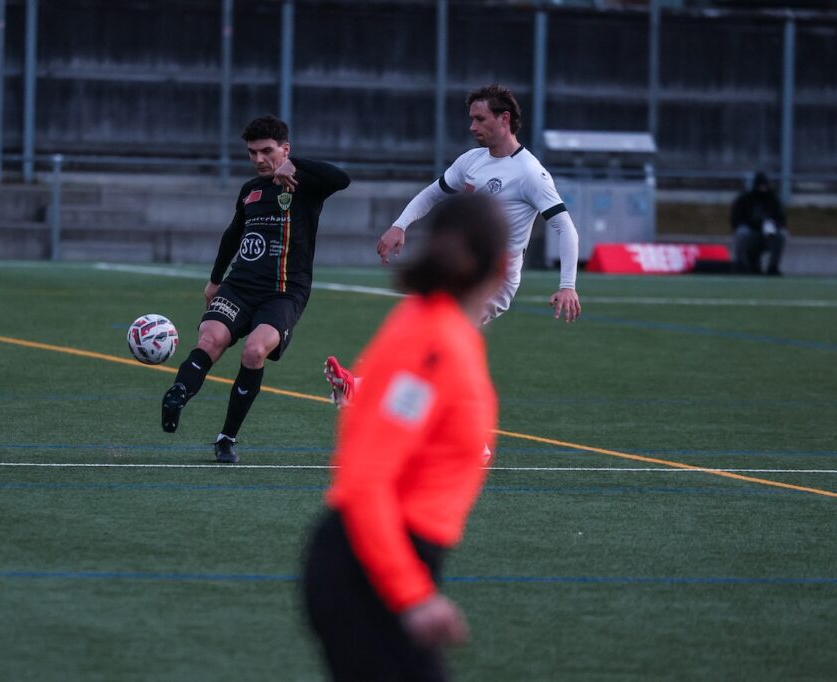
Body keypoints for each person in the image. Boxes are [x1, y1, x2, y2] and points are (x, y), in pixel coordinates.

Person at [302, 193, 508, 682]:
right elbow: (364, 480)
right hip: (370, 570)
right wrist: (410, 595)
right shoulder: (435, 343)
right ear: (503, 266)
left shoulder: (439, 329)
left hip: (379, 563)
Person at [282, 84, 581, 406]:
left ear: (504, 118)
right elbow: (433, 193)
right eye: (471, 118)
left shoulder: (530, 173)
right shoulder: (472, 160)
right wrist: (400, 225)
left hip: (494, 278)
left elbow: (565, 227)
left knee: (436, 339)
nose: (472, 126)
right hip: (460, 270)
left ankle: (370, 391)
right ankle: (373, 391)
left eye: (480, 119)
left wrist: (567, 285)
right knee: (428, 338)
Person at [160, 115, 350, 463]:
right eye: (252, 153)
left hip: (284, 291)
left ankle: (226, 439)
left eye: (267, 151)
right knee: (210, 339)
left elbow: (343, 178)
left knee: (254, 350)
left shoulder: (306, 183)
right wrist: (215, 280)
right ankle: (178, 394)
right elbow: (233, 233)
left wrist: (296, 164)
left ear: (285, 149)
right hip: (239, 286)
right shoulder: (250, 190)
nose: (259, 159)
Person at [730, 172, 787, 275]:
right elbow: (736, 220)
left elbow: (781, 219)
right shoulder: (745, 200)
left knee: (782, 235)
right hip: (751, 231)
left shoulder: (773, 200)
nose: (763, 189)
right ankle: (742, 266)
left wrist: (773, 226)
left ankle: (772, 267)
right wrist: (753, 224)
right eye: (761, 186)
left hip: (769, 234)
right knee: (742, 233)